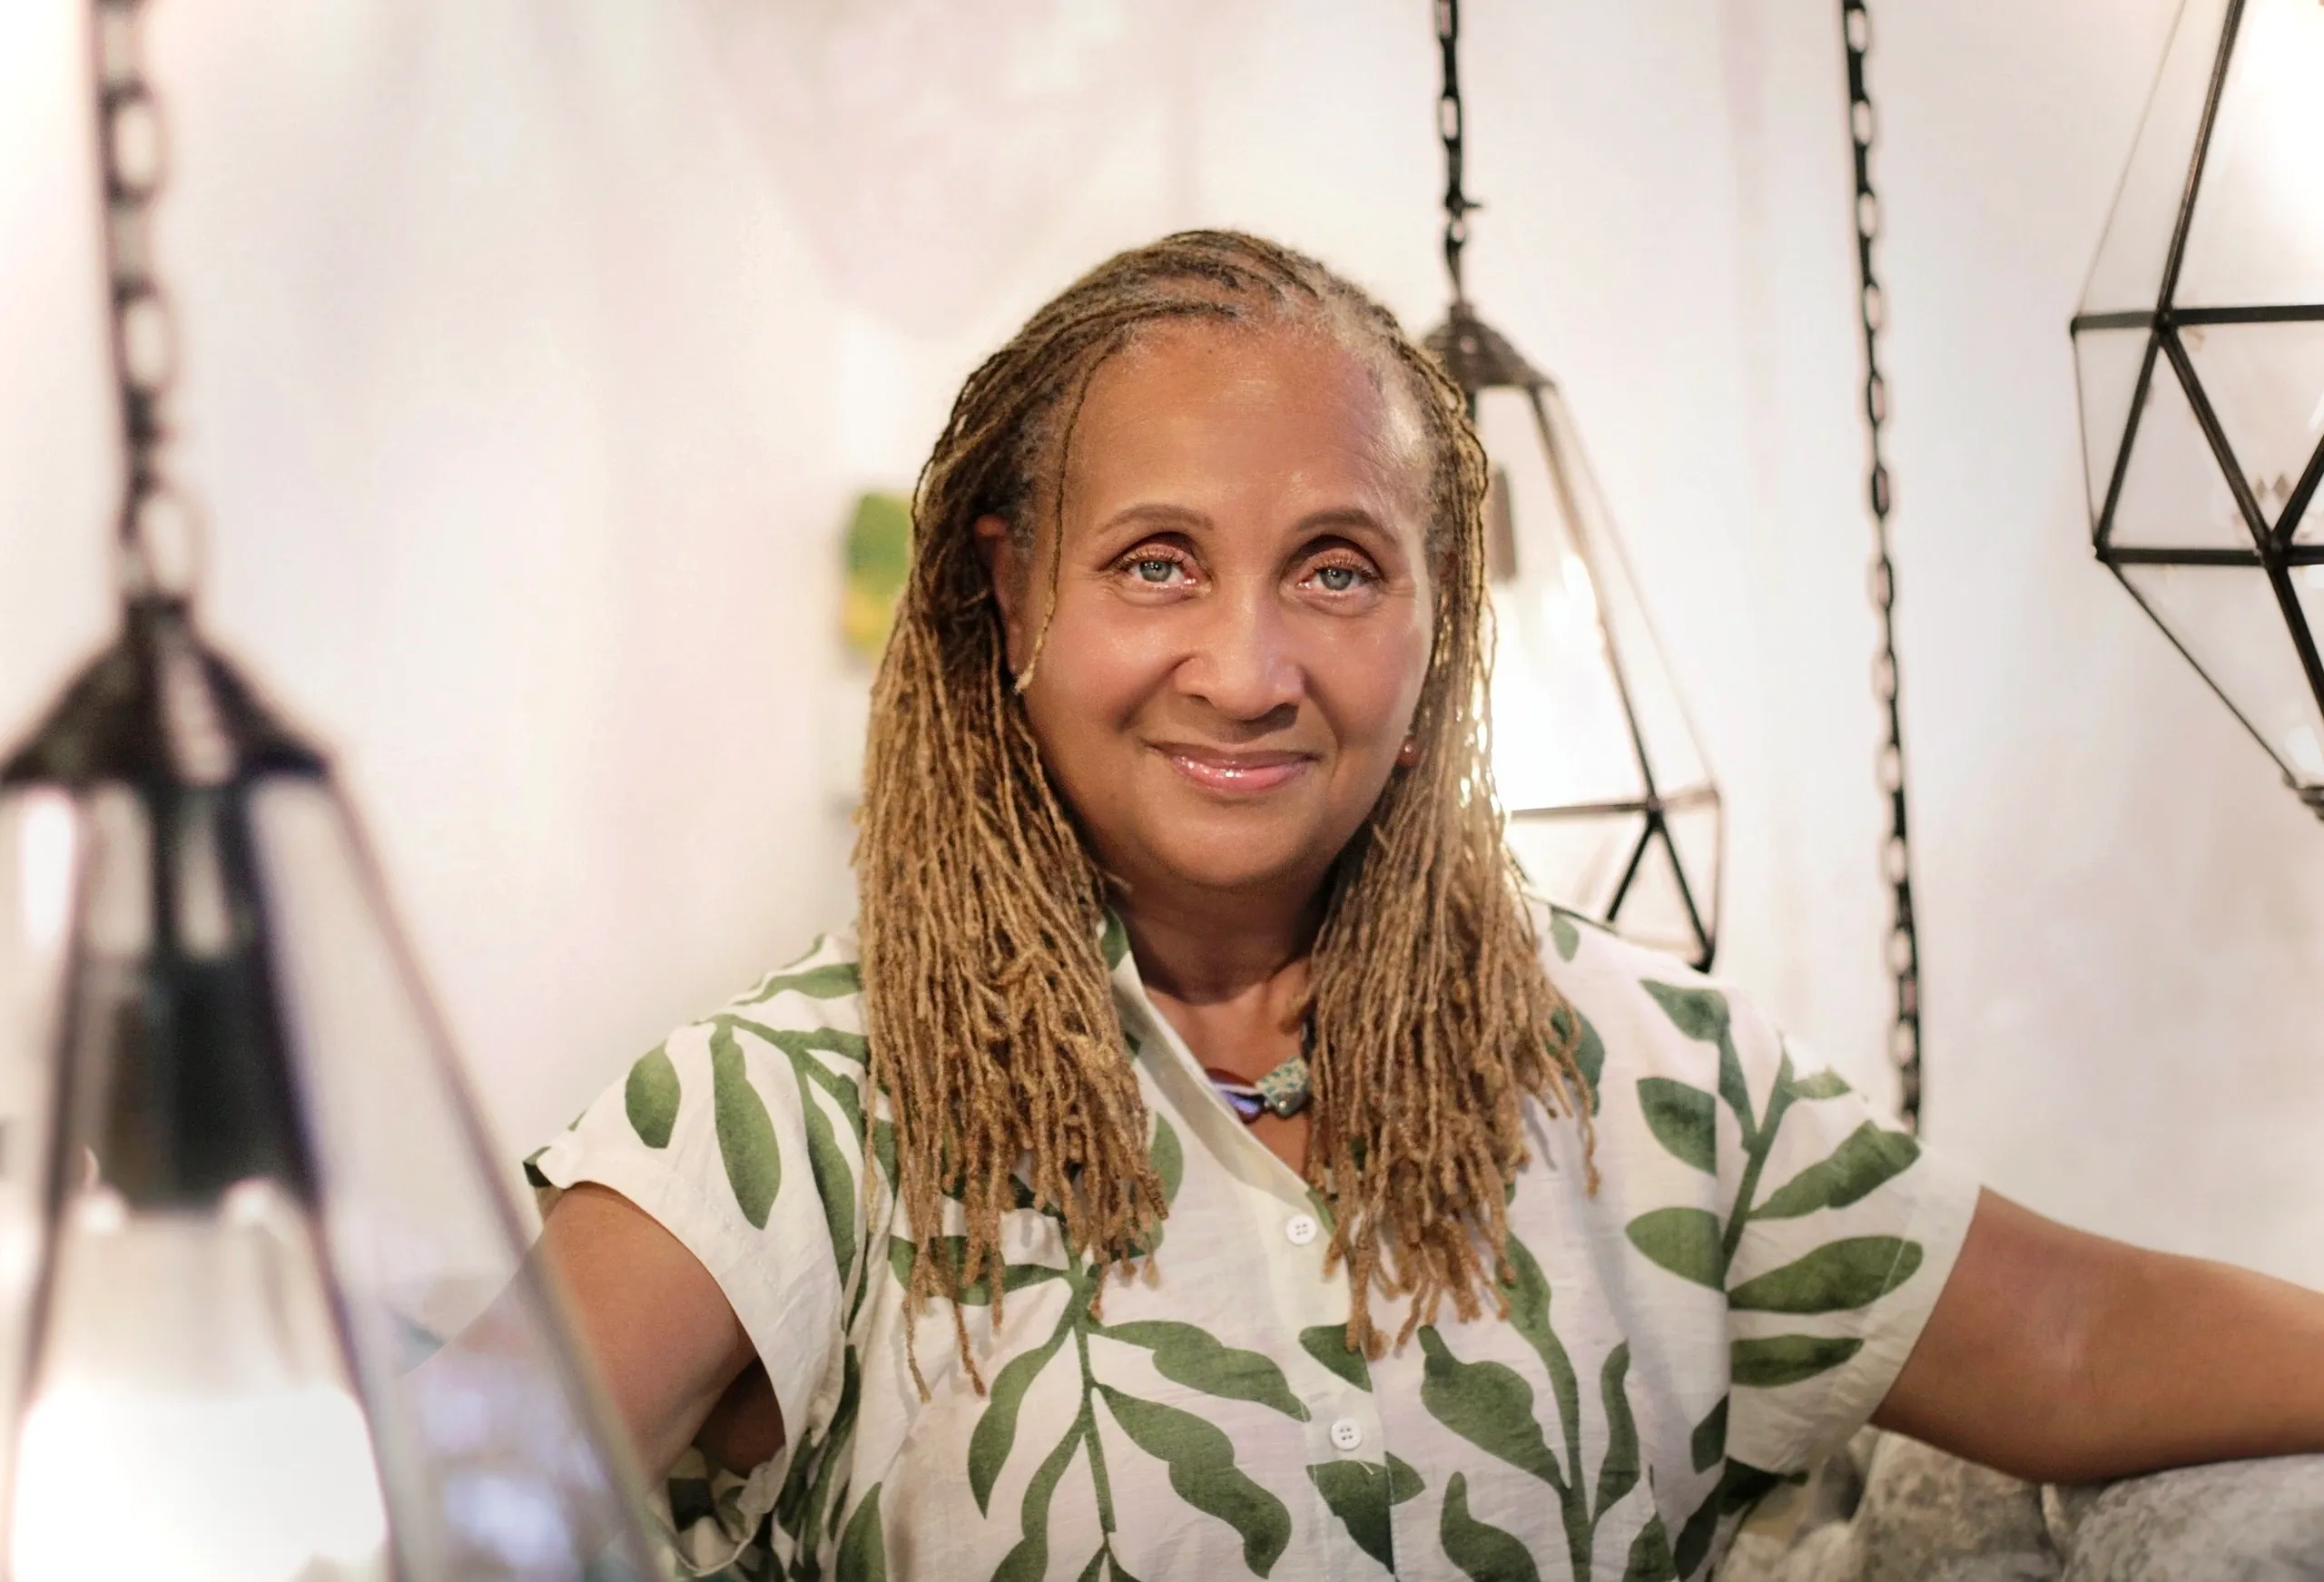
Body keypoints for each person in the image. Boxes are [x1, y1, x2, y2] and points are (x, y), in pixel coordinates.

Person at [527, 231, 2324, 1582]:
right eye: (1156, 562)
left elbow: (2077, 1343)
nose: (1245, 670)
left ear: (1438, 610)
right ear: (1011, 599)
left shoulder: (1650, 1073)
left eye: (1334, 567)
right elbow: (430, 1529)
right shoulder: (781, 1113)